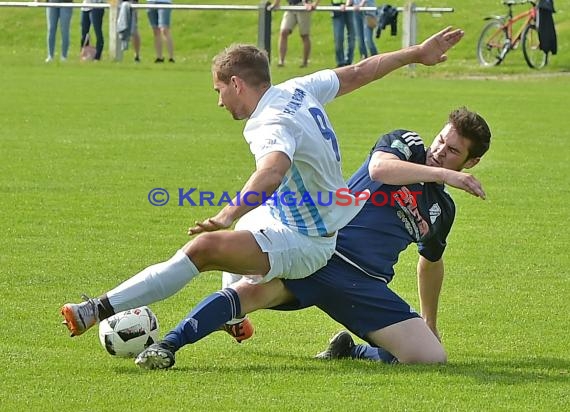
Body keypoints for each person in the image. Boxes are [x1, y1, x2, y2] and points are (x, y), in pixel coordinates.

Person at [61, 27, 465, 350]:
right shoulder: (296, 88)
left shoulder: (268, 124)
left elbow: (272, 171)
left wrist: (226, 215)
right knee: (232, 239)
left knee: (204, 249)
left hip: (308, 241)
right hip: (287, 211)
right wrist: (416, 53)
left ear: (237, 83)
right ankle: (231, 318)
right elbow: (360, 71)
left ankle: (96, 309)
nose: (219, 102)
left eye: (219, 91)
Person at [134, 106, 491, 369]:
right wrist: (445, 174)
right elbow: (378, 168)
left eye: (453, 151)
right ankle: (167, 345)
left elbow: (430, 262)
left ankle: (351, 350)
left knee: (429, 357)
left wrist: (430, 324)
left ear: (470, 163)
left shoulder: (441, 210)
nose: (440, 150)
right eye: (442, 140)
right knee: (251, 293)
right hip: (322, 252)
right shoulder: (408, 145)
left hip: (364, 285)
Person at [269, 0, 319, 68]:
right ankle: (281, 61)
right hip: (291, 5)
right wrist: (276, 4)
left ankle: (305, 62)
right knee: (283, 32)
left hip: (303, 5)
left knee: (304, 35)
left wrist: (314, 3)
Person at [331, 0, 355, 67]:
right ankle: (340, 62)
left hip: (349, 6)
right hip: (336, 7)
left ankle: (349, 60)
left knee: (351, 35)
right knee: (338, 37)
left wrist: (346, 5)